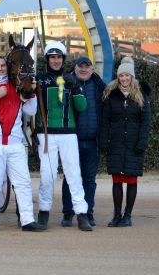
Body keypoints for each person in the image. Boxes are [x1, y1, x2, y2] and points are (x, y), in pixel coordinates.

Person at [0, 56, 41, 232]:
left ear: (8, 67)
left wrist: (31, 93)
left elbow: (31, 110)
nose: (0, 69)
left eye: (2, 65)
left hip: (15, 144)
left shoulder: (17, 87)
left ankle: (27, 220)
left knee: (23, 182)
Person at [35, 42, 93, 231]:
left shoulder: (71, 79)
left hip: (68, 134)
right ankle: (43, 213)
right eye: (52, 57)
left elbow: (82, 107)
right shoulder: (39, 80)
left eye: (59, 57)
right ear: (47, 59)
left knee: (73, 174)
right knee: (47, 175)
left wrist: (75, 87)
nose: (56, 60)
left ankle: (81, 214)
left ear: (63, 59)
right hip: (46, 135)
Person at [100, 56, 151, 227]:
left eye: (127, 75)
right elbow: (105, 120)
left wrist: (142, 142)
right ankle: (116, 215)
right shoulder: (110, 95)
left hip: (134, 144)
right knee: (116, 181)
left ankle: (127, 216)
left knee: (131, 180)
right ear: (118, 76)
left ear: (132, 76)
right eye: (121, 75)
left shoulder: (141, 96)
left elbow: (146, 122)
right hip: (115, 144)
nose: (124, 79)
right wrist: (104, 142)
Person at [61, 56, 106, 227]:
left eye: (87, 67)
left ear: (92, 69)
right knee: (69, 178)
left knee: (89, 180)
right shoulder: (65, 83)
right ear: (75, 68)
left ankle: (88, 213)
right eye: (81, 67)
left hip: (92, 142)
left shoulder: (100, 86)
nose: (84, 70)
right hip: (72, 140)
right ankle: (68, 213)